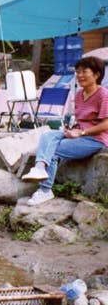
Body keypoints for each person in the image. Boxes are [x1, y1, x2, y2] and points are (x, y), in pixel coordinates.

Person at [21, 56, 108, 206]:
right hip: (79, 133)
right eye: (77, 71)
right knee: (48, 134)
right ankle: (40, 168)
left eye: (84, 71)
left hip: (95, 139)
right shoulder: (79, 94)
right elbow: (82, 120)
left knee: (54, 150)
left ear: (97, 75)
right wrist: (71, 130)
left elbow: (106, 124)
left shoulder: (103, 95)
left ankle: (45, 190)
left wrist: (81, 133)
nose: (79, 75)